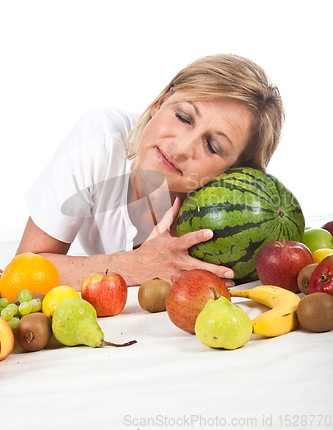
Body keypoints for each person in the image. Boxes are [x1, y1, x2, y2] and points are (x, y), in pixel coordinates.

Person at [16, 54, 284, 290]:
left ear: (235, 173)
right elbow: (21, 273)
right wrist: (135, 265)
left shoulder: (234, 217)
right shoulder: (99, 138)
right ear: (161, 101)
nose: (181, 148)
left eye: (213, 146)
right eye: (183, 117)